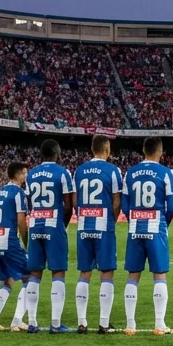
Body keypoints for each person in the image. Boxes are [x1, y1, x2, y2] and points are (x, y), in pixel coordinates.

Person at [17, 140, 76, 333]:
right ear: (57, 154)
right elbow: (68, 206)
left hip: (35, 224)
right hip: (54, 224)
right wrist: (63, 225)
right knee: (57, 272)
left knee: (35, 273)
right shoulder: (63, 172)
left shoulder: (31, 174)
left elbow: (29, 202)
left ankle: (32, 322)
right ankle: (56, 324)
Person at [123, 138, 173, 335]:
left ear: (143, 150)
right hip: (157, 226)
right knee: (159, 275)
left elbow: (125, 204)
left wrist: (135, 219)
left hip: (135, 226)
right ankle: (159, 324)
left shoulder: (130, 173)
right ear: (160, 151)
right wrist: (164, 223)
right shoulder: (166, 173)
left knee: (132, 275)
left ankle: (130, 325)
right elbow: (171, 206)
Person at [74, 135, 124, 334]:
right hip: (104, 225)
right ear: (107, 148)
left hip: (84, 225)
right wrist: (111, 218)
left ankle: (82, 322)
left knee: (84, 273)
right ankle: (103, 323)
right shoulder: (113, 170)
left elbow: (76, 199)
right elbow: (117, 201)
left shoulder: (79, 170)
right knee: (107, 273)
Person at [0, 162, 29, 331]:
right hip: (7, 239)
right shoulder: (18, 192)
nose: (25, 176)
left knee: (7, 281)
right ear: (17, 174)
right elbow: (21, 221)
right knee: (29, 278)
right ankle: (17, 320)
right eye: (24, 173)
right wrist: (27, 244)